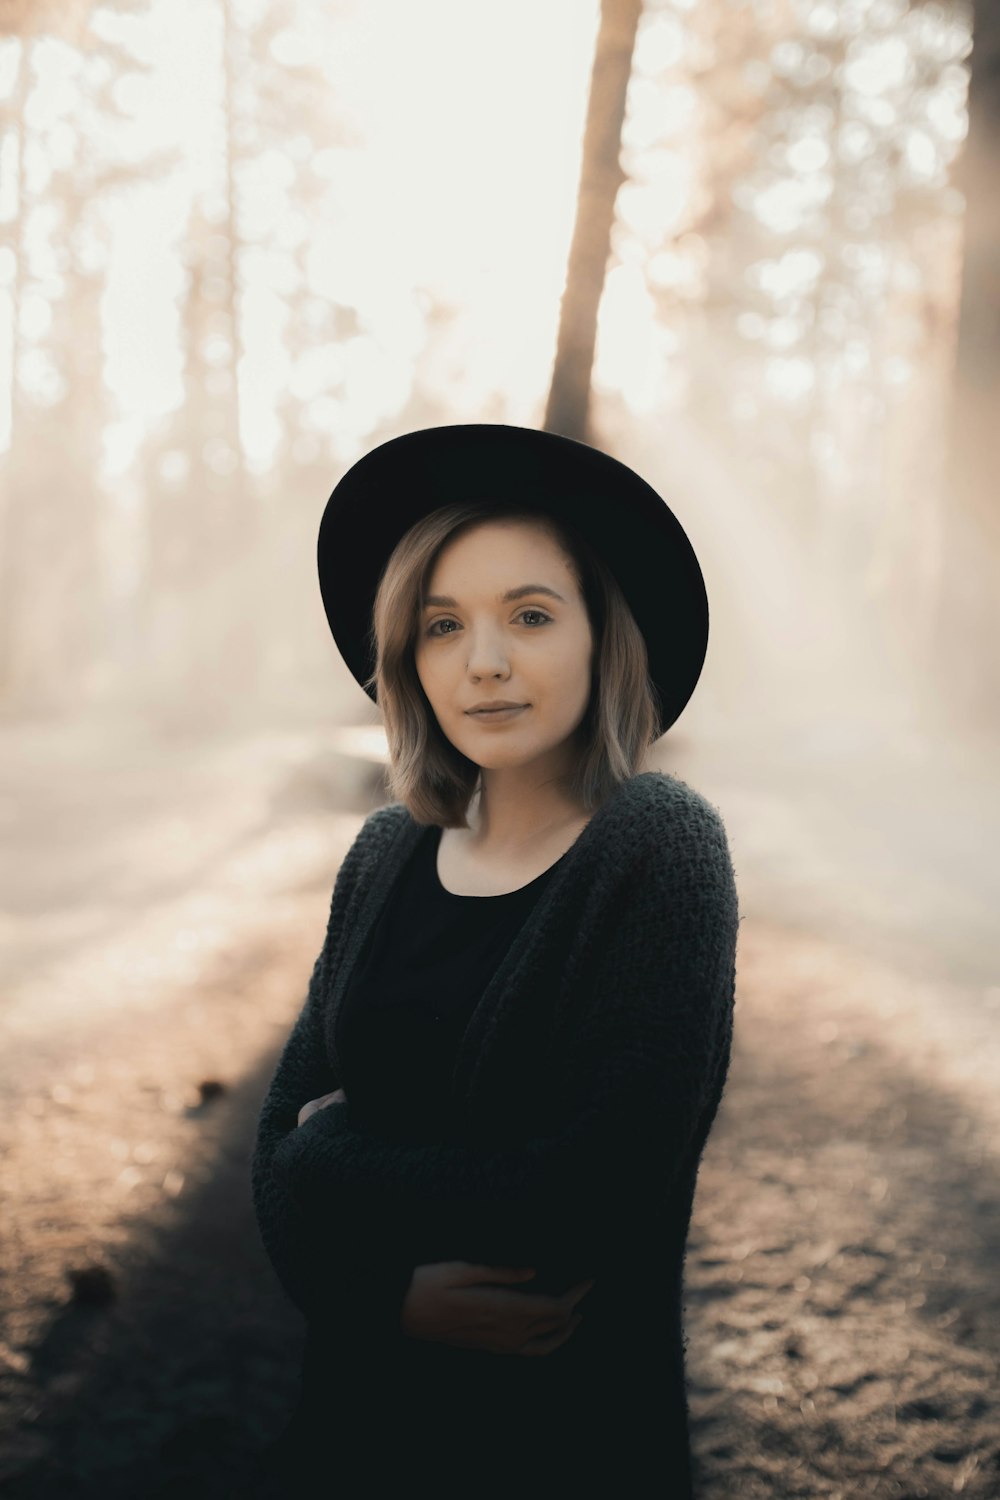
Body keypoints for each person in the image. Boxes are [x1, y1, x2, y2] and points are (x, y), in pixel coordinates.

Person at [249, 423, 740, 1498]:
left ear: (602, 636)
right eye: (440, 625)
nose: (482, 661)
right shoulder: (384, 855)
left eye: (528, 615)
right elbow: (267, 1150)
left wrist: (329, 1160)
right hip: (352, 1426)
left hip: (561, 1443)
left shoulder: (658, 847)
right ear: (406, 660)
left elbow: (584, 1193)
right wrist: (380, 1295)